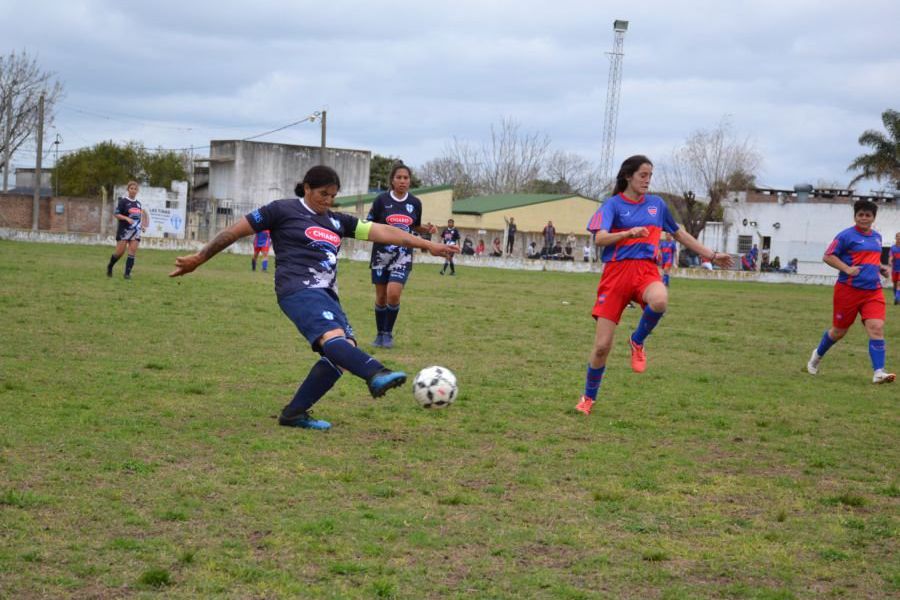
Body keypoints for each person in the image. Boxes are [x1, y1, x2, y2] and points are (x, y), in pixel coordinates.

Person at [169, 165, 459, 431]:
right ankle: (375, 372)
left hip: (327, 294)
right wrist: (200, 257)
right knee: (333, 339)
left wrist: (426, 245)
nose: (328, 200)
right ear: (307, 187)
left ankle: (295, 413)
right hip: (297, 289)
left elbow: (383, 231)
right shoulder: (280, 210)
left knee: (343, 351)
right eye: (323, 194)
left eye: (333, 195)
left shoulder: (337, 221)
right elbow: (234, 231)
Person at [576, 155, 733, 416]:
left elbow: (679, 234)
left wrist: (712, 255)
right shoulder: (613, 205)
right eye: (642, 175)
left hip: (646, 270)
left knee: (660, 300)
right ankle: (588, 399)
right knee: (602, 346)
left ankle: (637, 341)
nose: (647, 181)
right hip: (616, 275)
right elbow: (600, 238)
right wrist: (627, 233)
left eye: (650, 175)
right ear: (628, 176)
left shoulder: (657, 205)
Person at [806, 200, 895, 384]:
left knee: (876, 328)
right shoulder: (845, 236)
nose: (864, 218)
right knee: (839, 332)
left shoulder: (877, 237)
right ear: (855, 216)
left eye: (867, 215)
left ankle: (879, 372)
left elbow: (869, 258)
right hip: (848, 290)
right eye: (860, 214)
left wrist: (880, 268)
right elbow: (828, 256)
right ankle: (817, 355)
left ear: (873, 218)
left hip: (873, 291)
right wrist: (847, 269)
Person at [367, 163, 437, 349]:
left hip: (403, 256)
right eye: (399, 177)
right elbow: (369, 224)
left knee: (393, 294)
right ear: (392, 180)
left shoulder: (415, 203)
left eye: (406, 178)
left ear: (409, 181)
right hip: (381, 255)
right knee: (381, 297)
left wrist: (426, 229)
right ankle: (380, 333)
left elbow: (414, 227)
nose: (402, 181)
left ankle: (388, 333)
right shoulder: (381, 200)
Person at [106, 181, 150, 279]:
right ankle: (110, 266)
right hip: (124, 231)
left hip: (136, 231)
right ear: (128, 190)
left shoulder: (138, 204)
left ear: (137, 191)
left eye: (135, 189)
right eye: (131, 188)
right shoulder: (123, 201)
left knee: (132, 252)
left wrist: (142, 226)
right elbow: (116, 214)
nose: (133, 190)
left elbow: (138, 218)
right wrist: (126, 218)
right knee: (119, 253)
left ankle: (127, 274)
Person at [891, 233, 900, 305]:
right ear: (895, 238)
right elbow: (890, 256)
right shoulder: (893, 248)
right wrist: (889, 261)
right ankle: (895, 296)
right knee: (894, 284)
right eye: (897, 237)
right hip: (894, 269)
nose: (899, 238)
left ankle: (897, 298)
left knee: (899, 283)